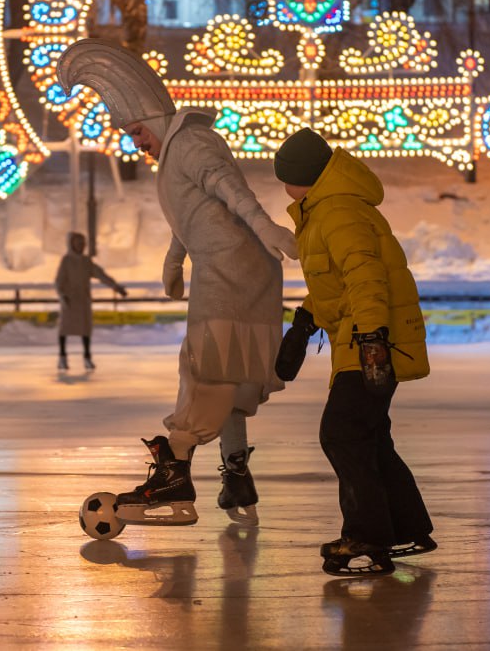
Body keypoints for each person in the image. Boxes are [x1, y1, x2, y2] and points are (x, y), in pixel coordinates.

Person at [58, 39, 296, 527]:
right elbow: (193, 215)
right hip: (226, 267)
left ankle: (175, 470)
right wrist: (174, 259)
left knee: (207, 365)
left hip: (234, 271)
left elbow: (228, 188)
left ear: (154, 120)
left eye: (136, 132)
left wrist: (264, 223)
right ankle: (235, 476)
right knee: (224, 372)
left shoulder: (190, 143)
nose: (135, 143)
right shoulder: (175, 152)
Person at [271, 127, 434, 576]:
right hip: (360, 338)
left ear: (301, 176)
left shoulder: (337, 210)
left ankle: (366, 532)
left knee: (342, 434)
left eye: (285, 176)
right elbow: (338, 286)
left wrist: (371, 342)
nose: (283, 185)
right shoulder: (325, 210)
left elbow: (366, 276)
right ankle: (404, 526)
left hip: (369, 342)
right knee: (369, 438)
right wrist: (305, 322)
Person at [54, 231, 127, 371]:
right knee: (64, 329)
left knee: (85, 330)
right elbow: (59, 281)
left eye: (83, 243)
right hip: (69, 301)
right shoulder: (66, 260)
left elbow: (101, 275)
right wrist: (62, 295)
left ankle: (87, 357)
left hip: (83, 301)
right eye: (78, 243)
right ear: (72, 244)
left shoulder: (86, 261)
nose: (81, 246)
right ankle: (62, 357)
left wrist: (116, 286)